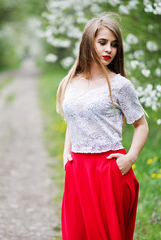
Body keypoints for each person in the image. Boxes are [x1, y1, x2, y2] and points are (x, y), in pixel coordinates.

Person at [56, 13, 149, 240]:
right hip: (78, 171)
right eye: (102, 42)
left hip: (108, 171)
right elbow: (73, 120)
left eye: (114, 44)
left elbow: (141, 125)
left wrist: (130, 158)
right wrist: (66, 153)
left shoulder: (120, 86)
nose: (109, 49)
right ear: (88, 42)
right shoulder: (71, 82)